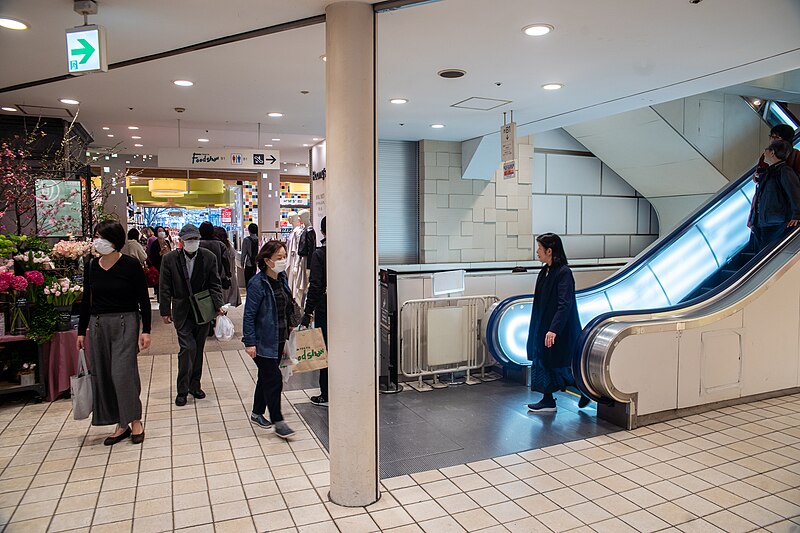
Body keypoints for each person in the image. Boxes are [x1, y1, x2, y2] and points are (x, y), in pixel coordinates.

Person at [77, 221, 151, 445]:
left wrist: (145, 330)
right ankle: (121, 423)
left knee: (123, 373)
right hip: (98, 324)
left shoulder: (130, 265)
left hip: (125, 322)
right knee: (105, 374)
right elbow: (86, 301)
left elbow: (144, 300)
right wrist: (81, 332)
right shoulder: (91, 266)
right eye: (96, 236)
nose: (98, 241)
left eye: (103, 237)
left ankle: (135, 419)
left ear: (115, 240)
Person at [159, 224, 224, 406]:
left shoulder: (208, 257)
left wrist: (218, 305)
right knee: (187, 348)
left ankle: (195, 385)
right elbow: (164, 287)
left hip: (203, 310)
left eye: (195, 239)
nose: (192, 243)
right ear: (181, 241)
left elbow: (215, 283)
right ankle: (182, 389)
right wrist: (165, 310)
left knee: (198, 349)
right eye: (189, 240)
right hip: (182, 310)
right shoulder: (170, 259)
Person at [526, 233, 591, 413]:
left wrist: (553, 329)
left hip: (558, 329)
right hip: (543, 326)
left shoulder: (563, 273)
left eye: (539, 248)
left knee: (558, 364)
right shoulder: (545, 271)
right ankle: (548, 400)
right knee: (545, 362)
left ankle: (584, 390)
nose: (537, 252)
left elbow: (565, 303)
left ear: (550, 250)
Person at [243, 240, 297, 439]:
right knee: (273, 379)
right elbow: (249, 314)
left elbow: (286, 305)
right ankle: (278, 420)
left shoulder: (281, 278)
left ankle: (257, 413)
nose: (283, 261)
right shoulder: (257, 284)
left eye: (284, 257)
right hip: (263, 340)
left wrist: (292, 324)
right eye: (279, 258)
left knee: (265, 377)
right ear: (267, 261)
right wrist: (250, 342)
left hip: (279, 338)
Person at [748, 140, 800, 252]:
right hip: (765, 221)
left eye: (767, 149)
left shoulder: (785, 171)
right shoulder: (771, 171)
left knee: (765, 255)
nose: (764, 151)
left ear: (772, 153)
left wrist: (797, 215)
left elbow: (794, 192)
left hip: (775, 222)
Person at [301, 217, 328, 406]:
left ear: (322, 231)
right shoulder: (349, 252)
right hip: (349, 311)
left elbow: (316, 286)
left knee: (325, 351)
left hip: (326, 309)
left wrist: (307, 311)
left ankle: (326, 393)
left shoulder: (320, 254)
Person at [214, 226, 241, 307]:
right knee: (225, 306)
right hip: (229, 280)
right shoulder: (229, 247)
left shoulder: (219, 249)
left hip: (222, 281)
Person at [147, 226, 171, 301]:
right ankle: (160, 298)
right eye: (159, 231)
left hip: (167, 265)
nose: (161, 232)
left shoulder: (166, 242)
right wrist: (160, 253)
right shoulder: (155, 244)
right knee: (160, 283)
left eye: (162, 231)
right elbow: (152, 256)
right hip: (158, 266)